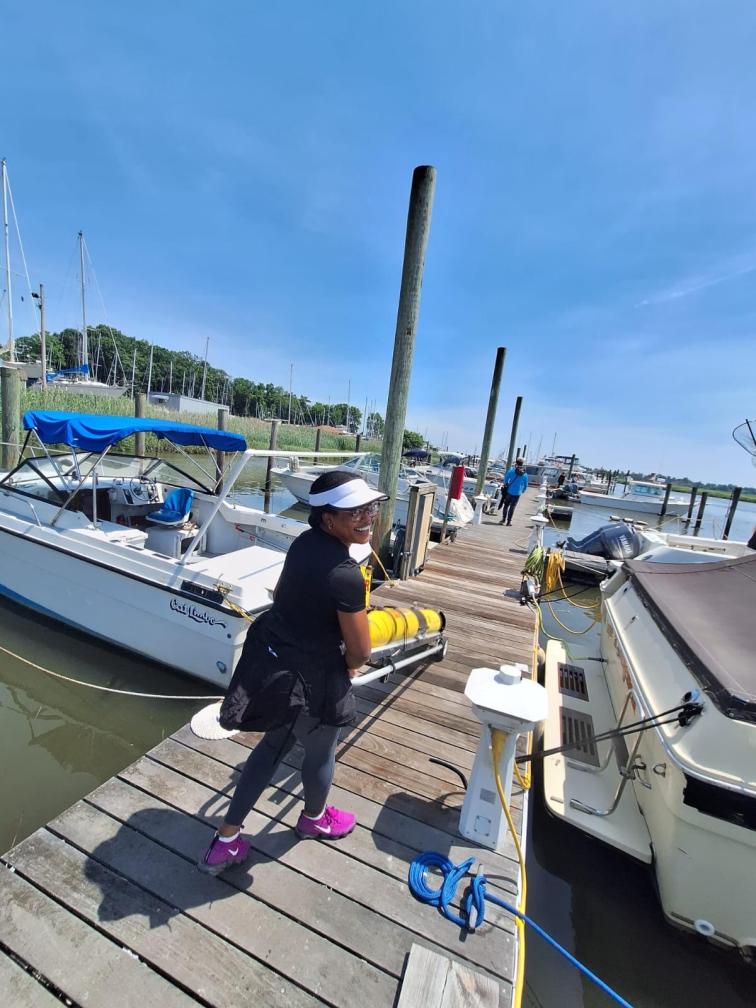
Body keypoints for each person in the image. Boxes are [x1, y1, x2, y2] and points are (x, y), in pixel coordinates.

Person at [198, 470, 386, 875]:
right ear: (327, 518)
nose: (367, 516)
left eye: (369, 507)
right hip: (315, 679)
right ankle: (314, 819)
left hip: (277, 664)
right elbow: (361, 651)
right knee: (321, 753)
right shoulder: (346, 575)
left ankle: (226, 839)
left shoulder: (303, 545)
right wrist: (349, 665)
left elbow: (283, 594)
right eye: (354, 510)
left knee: (271, 747)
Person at [498, 457, 529, 526]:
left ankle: (503, 519)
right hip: (517, 493)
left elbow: (505, 479)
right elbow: (526, 484)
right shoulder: (525, 474)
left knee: (506, 506)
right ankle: (509, 522)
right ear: (522, 463)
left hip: (509, 491)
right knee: (512, 507)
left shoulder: (511, 470)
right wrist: (523, 491)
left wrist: (506, 484)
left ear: (516, 463)